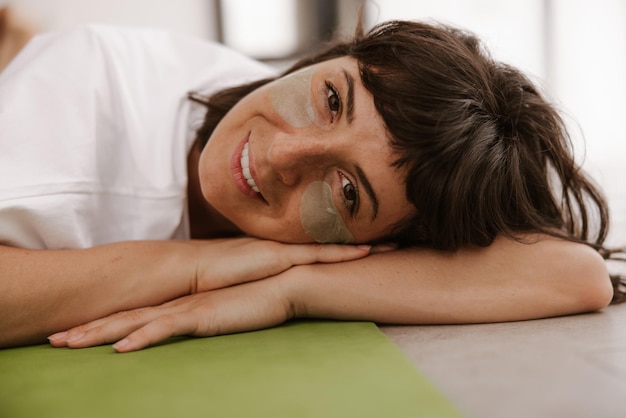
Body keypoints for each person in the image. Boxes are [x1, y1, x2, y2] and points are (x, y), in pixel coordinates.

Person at [0, 15, 623, 353]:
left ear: (387, 241)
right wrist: (194, 267)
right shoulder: (82, 129)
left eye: (348, 192)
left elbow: (575, 274)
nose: (283, 154)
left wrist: (290, 291)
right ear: (336, 55)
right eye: (330, 99)